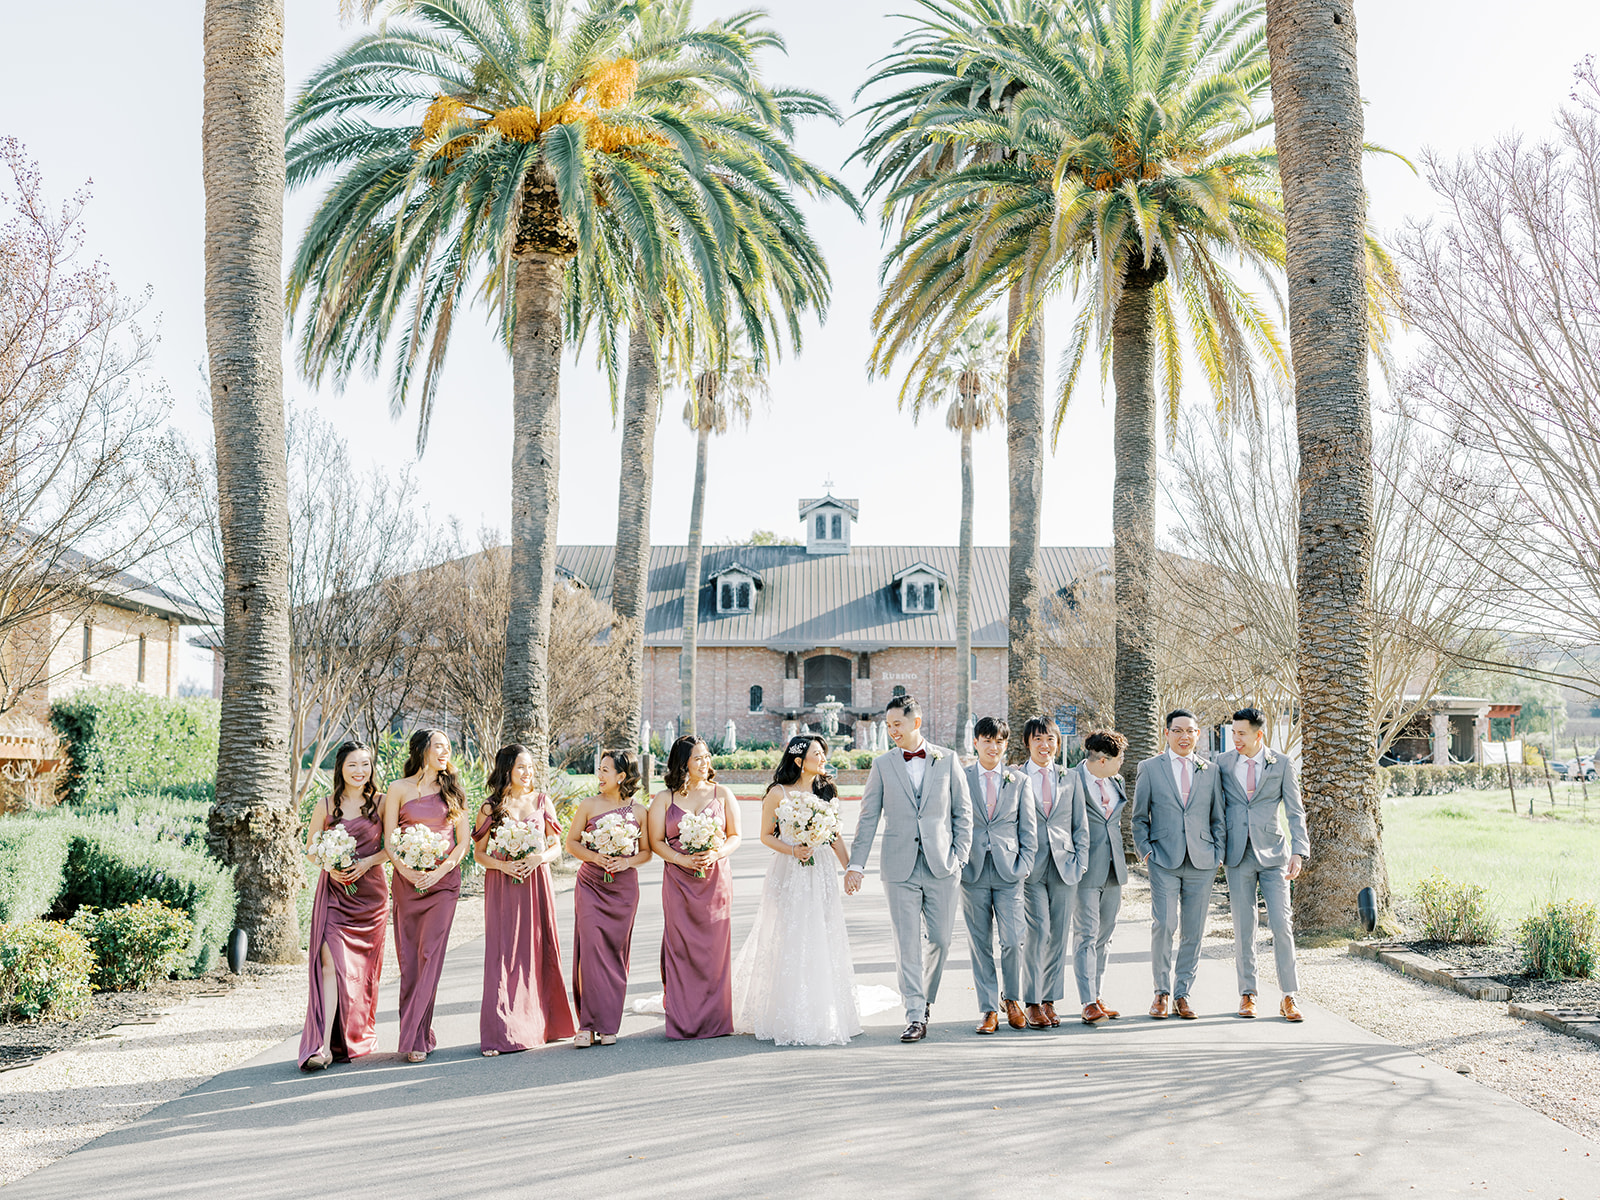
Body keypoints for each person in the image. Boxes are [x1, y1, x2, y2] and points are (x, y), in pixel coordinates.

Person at [845, 694, 973, 1043]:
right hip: (898, 867)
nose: (892, 732)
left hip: (942, 866)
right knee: (906, 944)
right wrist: (856, 864)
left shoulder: (946, 760)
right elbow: (868, 818)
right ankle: (915, 1013)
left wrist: (959, 856)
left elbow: (963, 812)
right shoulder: (882, 765)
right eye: (887, 726)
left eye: (897, 725)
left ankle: (925, 998)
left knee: (941, 941)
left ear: (916, 722)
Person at [731, 734, 862, 1046]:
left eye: (823, 753)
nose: (823, 758)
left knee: (822, 931)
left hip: (822, 873)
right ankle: (785, 1009)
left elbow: (835, 836)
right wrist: (792, 850)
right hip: (789, 871)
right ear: (799, 760)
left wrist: (850, 869)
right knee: (788, 934)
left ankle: (824, 1005)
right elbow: (765, 835)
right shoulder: (778, 793)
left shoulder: (826, 789)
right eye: (817, 753)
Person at [473, 743, 575, 1056]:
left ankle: (545, 1024)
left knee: (538, 947)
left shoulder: (542, 801)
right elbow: (479, 853)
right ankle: (500, 1032)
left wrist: (539, 858)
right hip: (503, 884)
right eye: (521, 767)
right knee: (503, 953)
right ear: (506, 770)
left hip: (536, 882)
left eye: (530, 766)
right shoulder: (490, 807)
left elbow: (558, 845)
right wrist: (503, 864)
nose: (527, 772)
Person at [383, 728, 474, 1062]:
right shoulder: (398, 789)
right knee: (410, 958)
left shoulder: (454, 791)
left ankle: (416, 1038)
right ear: (422, 750)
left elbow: (463, 841)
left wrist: (441, 870)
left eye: (448, 748)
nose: (445, 752)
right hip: (407, 883)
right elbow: (390, 839)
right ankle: (416, 1030)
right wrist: (406, 871)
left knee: (430, 955)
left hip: (444, 884)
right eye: (439, 746)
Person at [298, 741, 389, 1070]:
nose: (360, 771)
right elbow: (310, 849)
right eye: (353, 765)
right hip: (335, 894)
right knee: (328, 961)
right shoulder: (325, 805)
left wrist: (365, 863)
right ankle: (322, 1045)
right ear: (341, 769)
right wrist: (328, 862)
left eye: (365, 765)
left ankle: (354, 1033)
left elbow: (391, 848)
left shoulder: (381, 803)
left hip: (371, 898)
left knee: (361, 972)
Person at [1216, 707, 1310, 1022]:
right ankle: (1248, 994)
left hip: (1275, 856)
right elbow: (1215, 809)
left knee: (1282, 926)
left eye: (1241, 733)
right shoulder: (1223, 763)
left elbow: (1295, 812)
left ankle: (1289, 996)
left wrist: (1299, 851)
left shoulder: (1282, 764)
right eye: (1233, 732)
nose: (1235, 739)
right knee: (1244, 928)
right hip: (1237, 856)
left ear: (1259, 735)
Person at [1133, 710, 1226, 1020]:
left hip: (1202, 860)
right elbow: (1138, 817)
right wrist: (1146, 852)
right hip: (1163, 860)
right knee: (1164, 925)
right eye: (1178, 730)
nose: (1184, 736)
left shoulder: (1211, 771)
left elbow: (1218, 818)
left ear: (1198, 734)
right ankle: (1161, 992)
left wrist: (1218, 853)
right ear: (1167, 733)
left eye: (1190, 731)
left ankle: (1183, 993)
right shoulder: (1149, 768)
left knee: (1193, 931)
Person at [648, 734, 741, 1039]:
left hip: (715, 880)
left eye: (707, 757)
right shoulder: (665, 799)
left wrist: (716, 853)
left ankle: (716, 1019)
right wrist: (681, 860)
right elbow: (655, 842)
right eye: (698, 758)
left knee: (714, 949)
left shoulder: (722, 793)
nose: (705, 763)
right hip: (678, 880)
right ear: (683, 763)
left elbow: (735, 836)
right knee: (681, 946)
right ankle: (683, 1018)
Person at [564, 749, 653, 1046]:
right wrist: (596, 857)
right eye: (599, 769)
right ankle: (587, 1025)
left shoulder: (639, 812)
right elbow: (571, 843)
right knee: (589, 951)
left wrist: (625, 862)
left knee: (615, 952)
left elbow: (647, 852)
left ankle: (608, 1023)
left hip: (624, 889)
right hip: (591, 884)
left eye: (605, 770)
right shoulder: (588, 805)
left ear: (621, 776)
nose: (599, 775)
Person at [961, 717, 1038, 1034]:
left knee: (1011, 941)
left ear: (1006, 745)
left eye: (999, 741)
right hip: (973, 871)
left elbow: (1028, 830)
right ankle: (989, 1009)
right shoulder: (961, 778)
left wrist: (1025, 864)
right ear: (976, 742)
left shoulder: (1019, 781)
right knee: (980, 944)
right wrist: (958, 863)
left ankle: (1012, 1001)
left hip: (1010, 873)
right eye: (987, 740)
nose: (993, 747)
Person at [1020, 715, 1088, 1029]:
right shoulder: (1016, 778)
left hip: (1065, 865)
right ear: (1028, 744)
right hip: (1029, 868)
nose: (1044, 745)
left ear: (1057, 744)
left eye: (1050, 739)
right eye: (1038, 739)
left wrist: (1081, 862)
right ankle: (1032, 1001)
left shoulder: (1070, 777)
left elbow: (1080, 825)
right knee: (1039, 933)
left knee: (1059, 935)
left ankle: (1049, 1000)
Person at [1072, 730, 1129, 1025]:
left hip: (1113, 869)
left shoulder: (1115, 781)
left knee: (1104, 936)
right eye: (1120, 759)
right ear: (1103, 759)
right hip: (1083, 871)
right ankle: (1087, 1002)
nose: (1123, 764)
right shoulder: (1070, 781)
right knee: (1085, 935)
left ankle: (1097, 993)